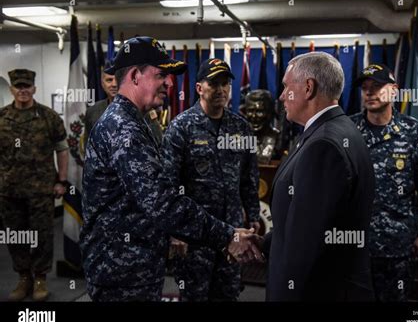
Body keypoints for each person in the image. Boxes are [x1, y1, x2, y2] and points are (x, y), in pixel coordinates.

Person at [80, 37, 262, 302]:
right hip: (122, 269)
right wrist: (228, 234)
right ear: (134, 76)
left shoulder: (133, 122)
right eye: (161, 74)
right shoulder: (123, 128)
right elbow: (162, 202)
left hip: (135, 264)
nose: (169, 83)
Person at [259, 52, 375, 301]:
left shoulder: (323, 145)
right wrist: (262, 243)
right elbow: (309, 225)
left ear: (308, 87)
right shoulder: (336, 130)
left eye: (286, 87)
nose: (281, 97)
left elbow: (306, 249)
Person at [160, 58, 261, 301]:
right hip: (195, 235)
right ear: (199, 88)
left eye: (225, 83)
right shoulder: (180, 127)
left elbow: (249, 177)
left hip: (233, 230)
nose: (221, 90)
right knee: (195, 295)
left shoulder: (241, 127)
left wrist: (254, 216)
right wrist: (175, 232)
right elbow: (169, 184)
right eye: (214, 83)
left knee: (228, 293)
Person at [350, 64, 418, 302]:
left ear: (393, 91)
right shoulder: (348, 130)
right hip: (353, 244)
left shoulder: (413, 132)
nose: (369, 93)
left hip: (397, 245)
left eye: (376, 87)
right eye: (365, 88)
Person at [0, 69, 69, 301]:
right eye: (18, 86)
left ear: (34, 89)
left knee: (42, 235)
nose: (23, 90)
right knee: (15, 236)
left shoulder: (48, 117)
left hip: (41, 190)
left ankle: (40, 278)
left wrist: (62, 180)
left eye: (26, 86)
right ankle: (23, 277)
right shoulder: (1, 118)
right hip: (9, 190)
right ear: (11, 89)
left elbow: (62, 150)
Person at [83, 61, 163, 147]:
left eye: (117, 80)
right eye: (109, 80)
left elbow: (158, 142)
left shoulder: (142, 109)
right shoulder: (93, 112)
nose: (113, 84)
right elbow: (88, 147)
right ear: (102, 83)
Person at [243, 89, 281, 164]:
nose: (254, 116)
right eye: (250, 111)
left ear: (270, 113)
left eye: (259, 111)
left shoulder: (279, 140)